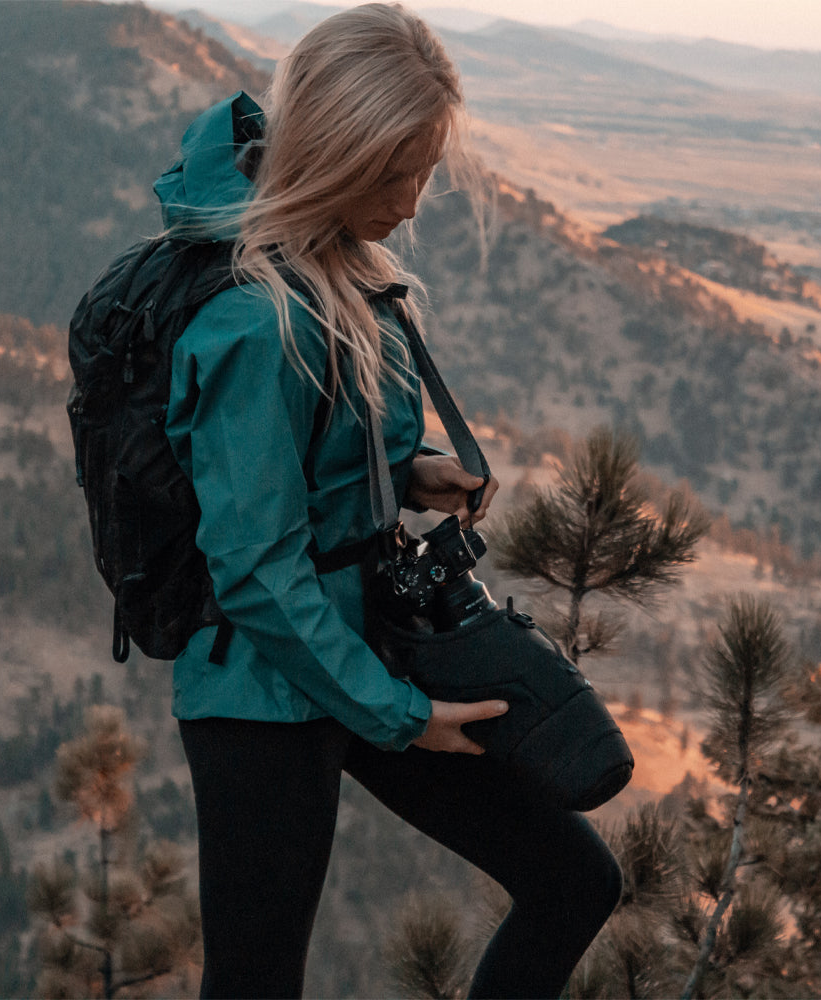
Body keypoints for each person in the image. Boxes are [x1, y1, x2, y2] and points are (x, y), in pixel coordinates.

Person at [160, 4, 622, 997]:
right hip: (261, 687)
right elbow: (254, 567)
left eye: (424, 171)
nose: (411, 202)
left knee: (574, 879)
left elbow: (308, 449)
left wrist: (410, 471)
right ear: (334, 155)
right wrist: (403, 716)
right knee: (254, 982)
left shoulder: (331, 264)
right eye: (393, 174)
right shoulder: (251, 321)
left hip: (368, 638)